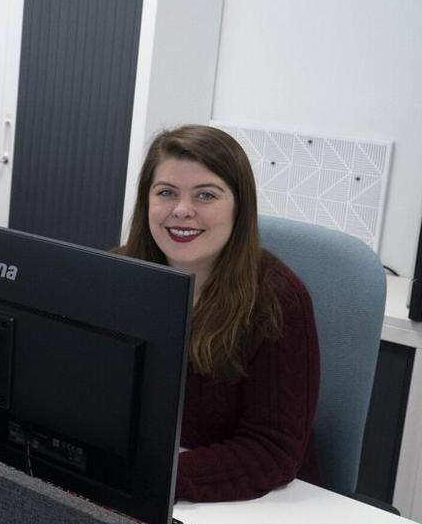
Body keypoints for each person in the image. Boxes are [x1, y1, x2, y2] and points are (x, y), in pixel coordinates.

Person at [117, 125, 322, 502]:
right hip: (141, 480)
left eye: (205, 195)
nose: (182, 210)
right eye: (166, 193)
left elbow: (272, 450)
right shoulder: (117, 273)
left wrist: (154, 477)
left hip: (251, 502)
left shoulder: (277, 300)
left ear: (240, 208)